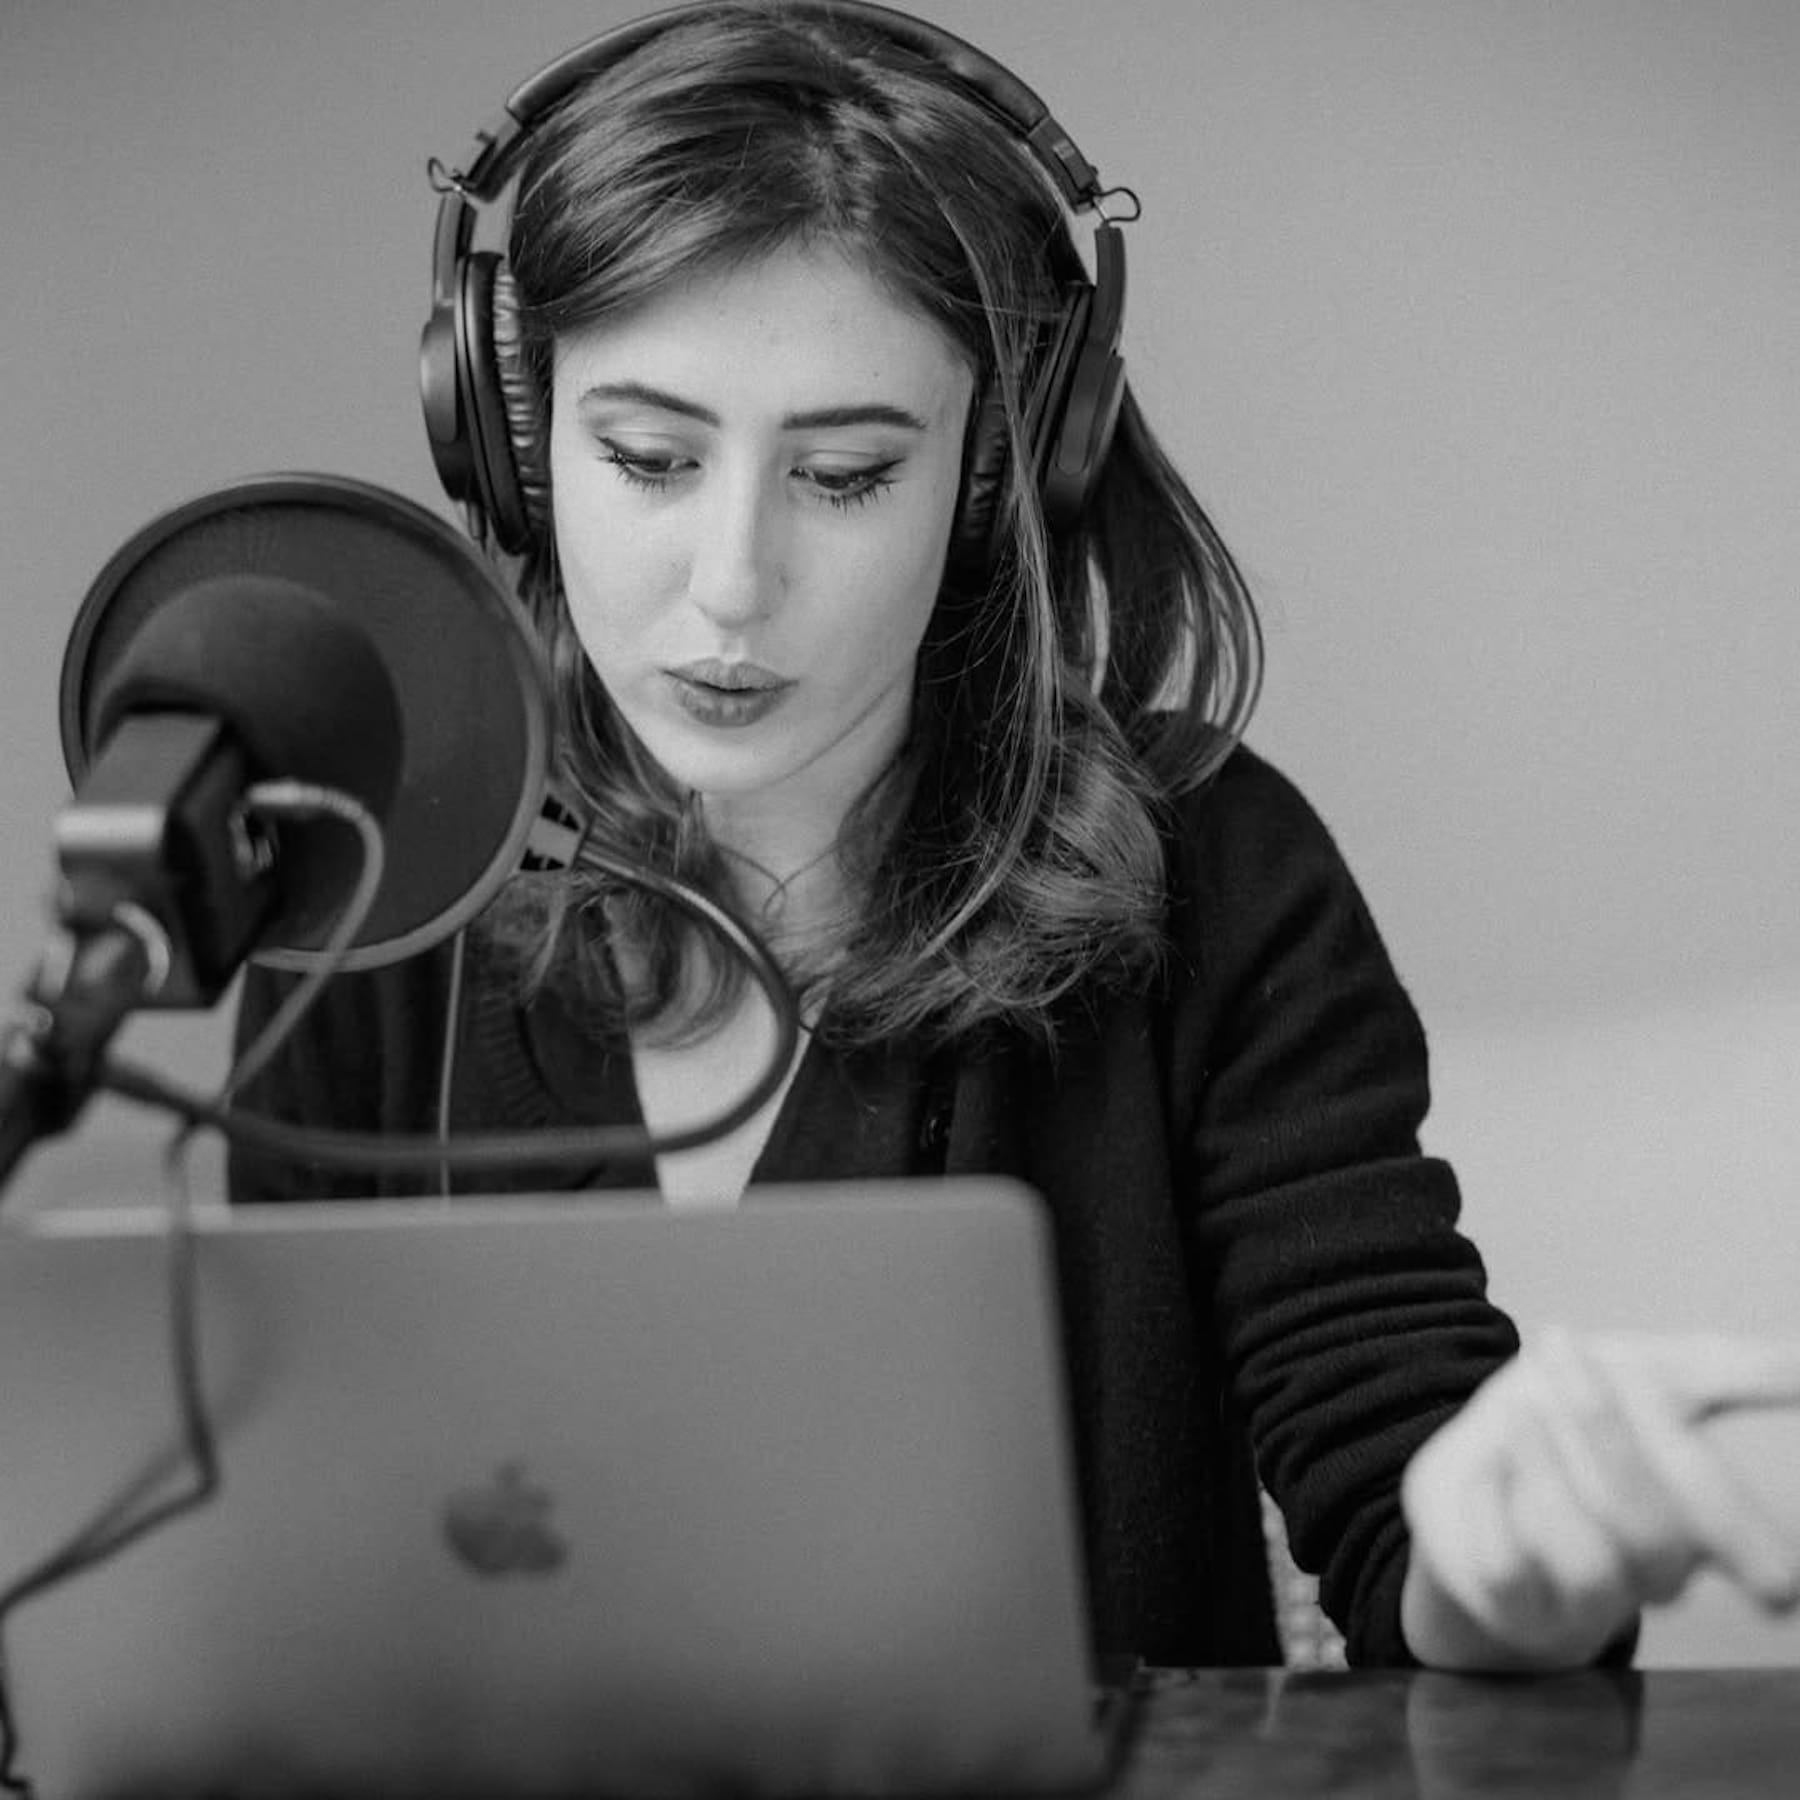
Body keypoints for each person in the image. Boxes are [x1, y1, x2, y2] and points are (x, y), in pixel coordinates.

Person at [229, 0, 1800, 1674]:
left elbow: (1410, 1503)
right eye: (648, 458)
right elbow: (278, 1561)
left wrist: (1511, 1563)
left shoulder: (1223, 873)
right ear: (514, 442)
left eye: (842, 477)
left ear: (999, 474)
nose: (732, 585)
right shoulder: (383, 884)